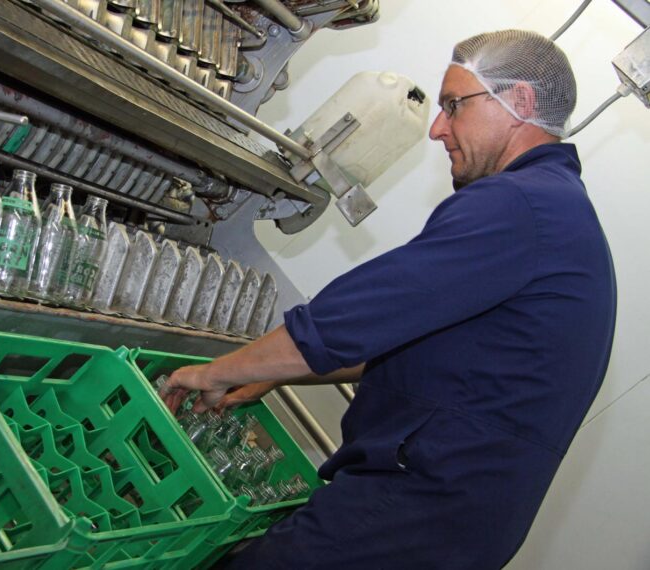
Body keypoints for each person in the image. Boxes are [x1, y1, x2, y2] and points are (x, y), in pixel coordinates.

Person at [160, 29, 616, 569]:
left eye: (454, 105)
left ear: (518, 100)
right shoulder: (558, 212)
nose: (437, 128)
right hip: (451, 523)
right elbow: (411, 346)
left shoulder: (520, 205)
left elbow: (354, 318)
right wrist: (274, 372)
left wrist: (214, 372)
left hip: (414, 506)